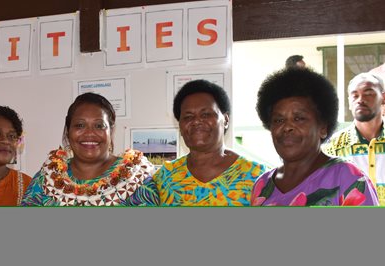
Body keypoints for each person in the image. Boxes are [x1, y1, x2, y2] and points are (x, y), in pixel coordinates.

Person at [251, 67, 378, 206]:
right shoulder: (262, 185)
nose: (287, 127)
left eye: (299, 118)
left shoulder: (348, 178)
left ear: (323, 128)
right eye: (279, 120)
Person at [21, 92, 158, 206]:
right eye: (80, 125)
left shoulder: (136, 178)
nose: (89, 133)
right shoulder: (47, 178)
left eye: (99, 126)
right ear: (68, 131)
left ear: (111, 131)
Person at [153, 80, 266, 206]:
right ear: (180, 126)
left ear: (226, 120)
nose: (196, 121)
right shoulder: (163, 178)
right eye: (188, 117)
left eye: (206, 114)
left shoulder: (257, 176)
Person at [322, 72, 385, 203]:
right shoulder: (332, 147)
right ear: (349, 103)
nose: (360, 100)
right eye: (355, 95)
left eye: (368, 94)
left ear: (383, 98)